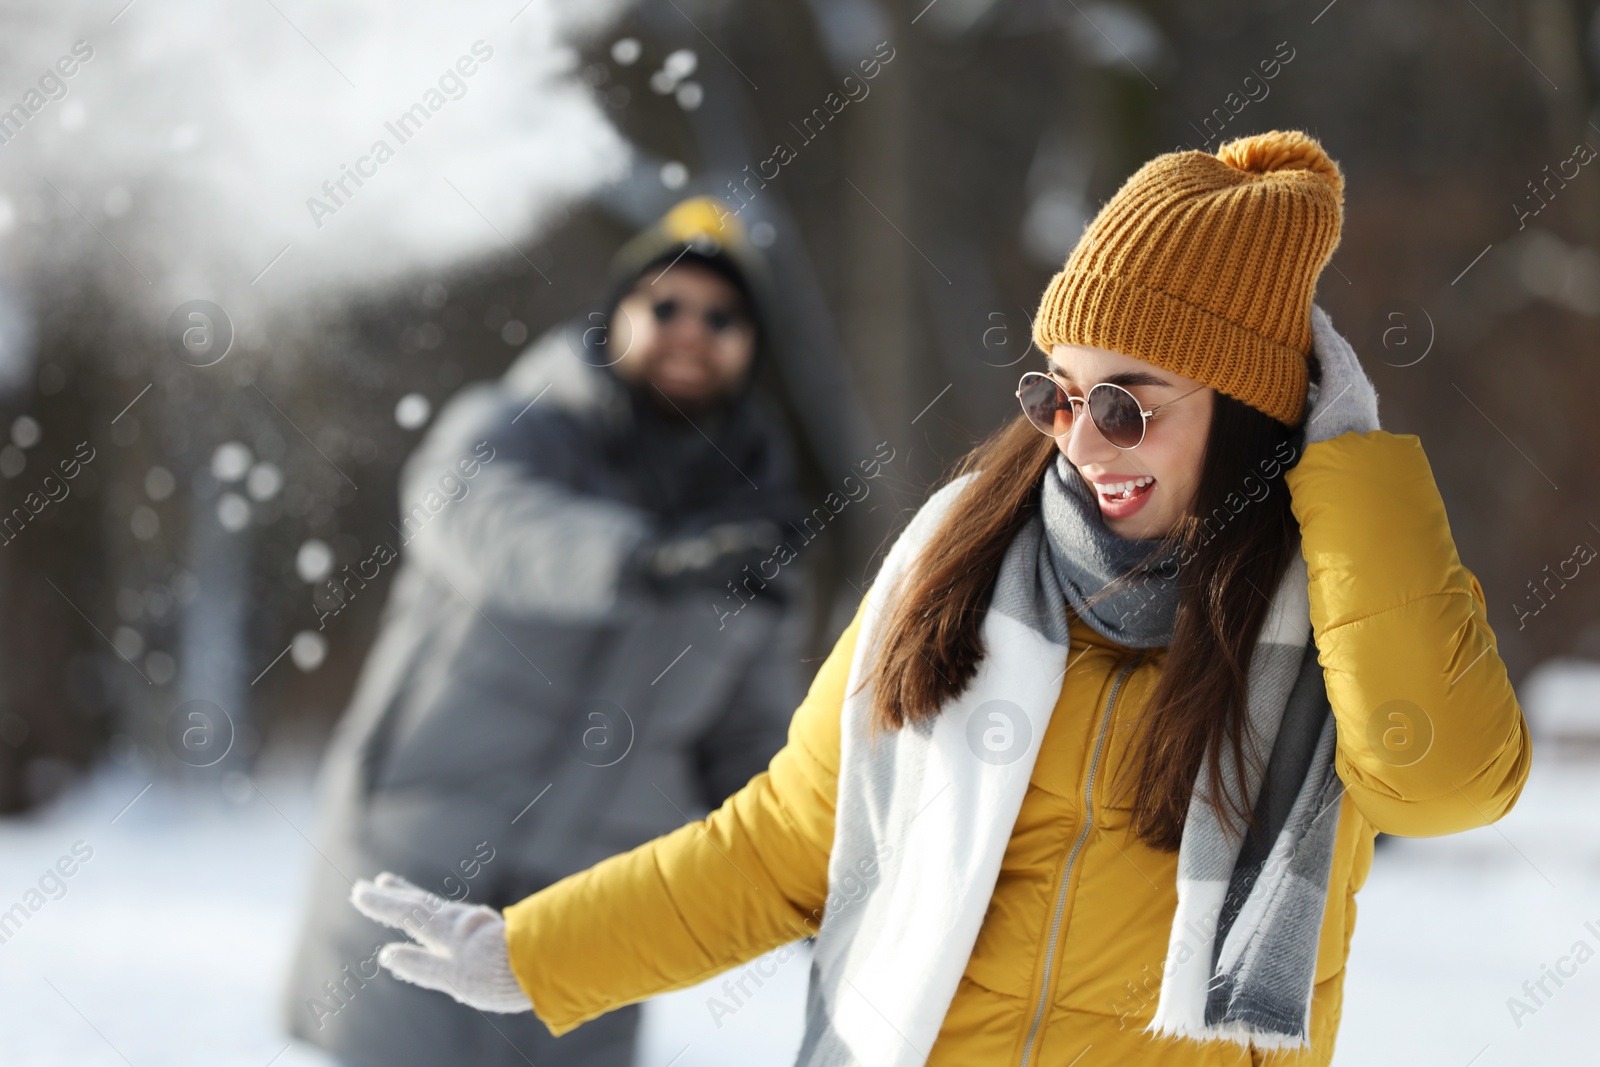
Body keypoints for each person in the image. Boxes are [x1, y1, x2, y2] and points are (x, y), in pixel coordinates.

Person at [347, 132, 1531, 1065]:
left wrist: (1355, 470)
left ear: (1253, 411)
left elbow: (1448, 777)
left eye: (1131, 401)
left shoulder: (1337, 603)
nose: (1083, 440)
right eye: (1059, 394)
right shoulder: (954, 568)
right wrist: (535, 951)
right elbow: (783, 847)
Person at [283, 197, 816, 1067]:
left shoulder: (757, 539)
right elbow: (476, 523)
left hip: (585, 918)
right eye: (666, 305)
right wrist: (643, 561)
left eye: (721, 316)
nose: (690, 329)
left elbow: (746, 752)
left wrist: (812, 890)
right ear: (617, 316)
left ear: (749, 347)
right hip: (419, 861)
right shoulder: (516, 429)